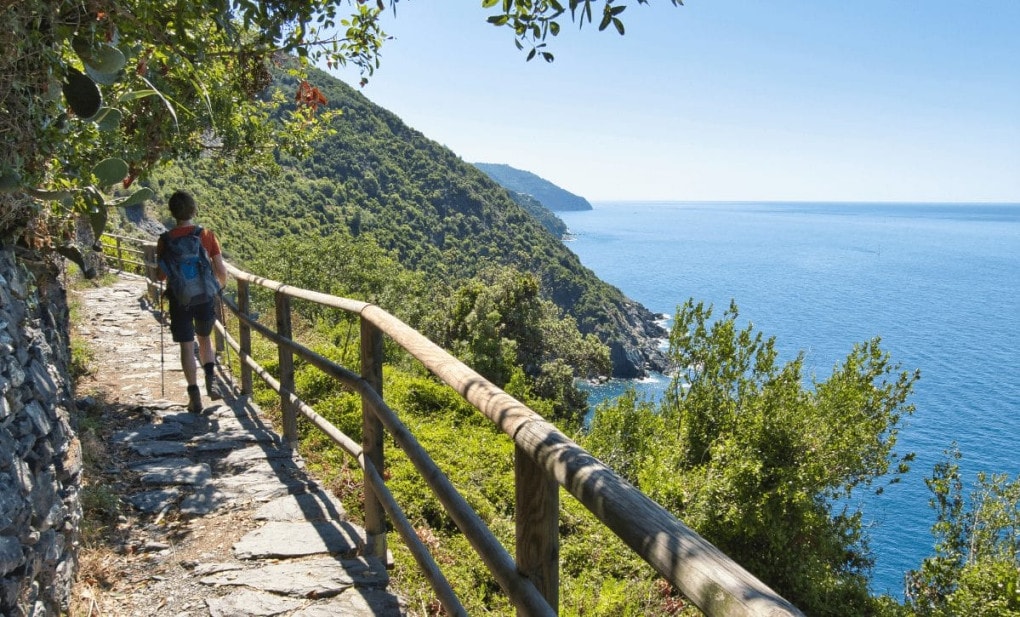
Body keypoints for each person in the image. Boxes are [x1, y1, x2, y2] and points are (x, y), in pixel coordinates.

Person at [156, 190, 229, 413]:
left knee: (187, 346)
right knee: (204, 338)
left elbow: (160, 276)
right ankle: (211, 380)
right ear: (193, 210)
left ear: (172, 212)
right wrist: (218, 288)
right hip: (204, 296)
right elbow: (220, 270)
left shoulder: (165, 240)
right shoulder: (206, 235)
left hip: (180, 299)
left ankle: (194, 394)